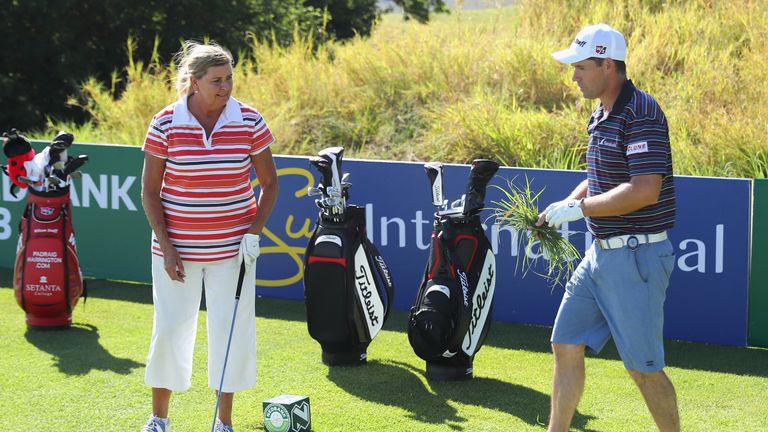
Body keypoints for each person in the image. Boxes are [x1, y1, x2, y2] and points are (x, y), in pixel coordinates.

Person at [537, 24, 679, 432]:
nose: (574, 76)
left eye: (582, 67)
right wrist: (570, 201)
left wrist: (579, 210)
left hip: (637, 257)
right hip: (600, 255)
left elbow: (644, 190)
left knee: (643, 370)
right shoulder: (600, 111)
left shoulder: (642, 113)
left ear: (609, 66)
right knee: (565, 344)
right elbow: (600, 178)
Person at [139, 41, 278, 432]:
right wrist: (167, 248)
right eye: (216, 80)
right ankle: (159, 419)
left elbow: (269, 184)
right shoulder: (165, 122)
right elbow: (150, 191)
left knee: (230, 331)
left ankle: (223, 422)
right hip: (175, 250)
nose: (226, 87)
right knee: (169, 328)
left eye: (229, 78)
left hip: (233, 251)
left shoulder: (249, 120)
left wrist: (254, 231)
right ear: (193, 82)